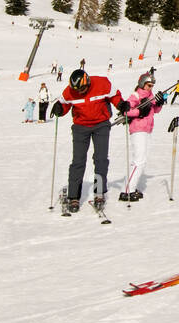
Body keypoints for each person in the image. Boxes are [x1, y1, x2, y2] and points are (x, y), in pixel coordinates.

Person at [51, 68, 125, 214]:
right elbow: (64, 104)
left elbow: (115, 96)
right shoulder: (70, 91)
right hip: (80, 126)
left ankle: (99, 192)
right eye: (77, 90)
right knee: (78, 161)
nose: (80, 92)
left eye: (83, 89)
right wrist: (60, 108)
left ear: (88, 82)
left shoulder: (102, 83)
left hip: (101, 125)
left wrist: (121, 105)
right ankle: (73, 196)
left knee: (101, 159)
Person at [120, 73, 168, 201]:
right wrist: (140, 112)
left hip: (147, 129)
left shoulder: (150, 96)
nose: (150, 88)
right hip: (138, 129)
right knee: (139, 161)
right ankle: (127, 191)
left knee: (141, 161)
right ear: (142, 83)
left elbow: (155, 111)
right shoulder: (136, 96)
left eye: (152, 86)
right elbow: (126, 111)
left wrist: (159, 103)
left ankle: (130, 187)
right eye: (148, 85)